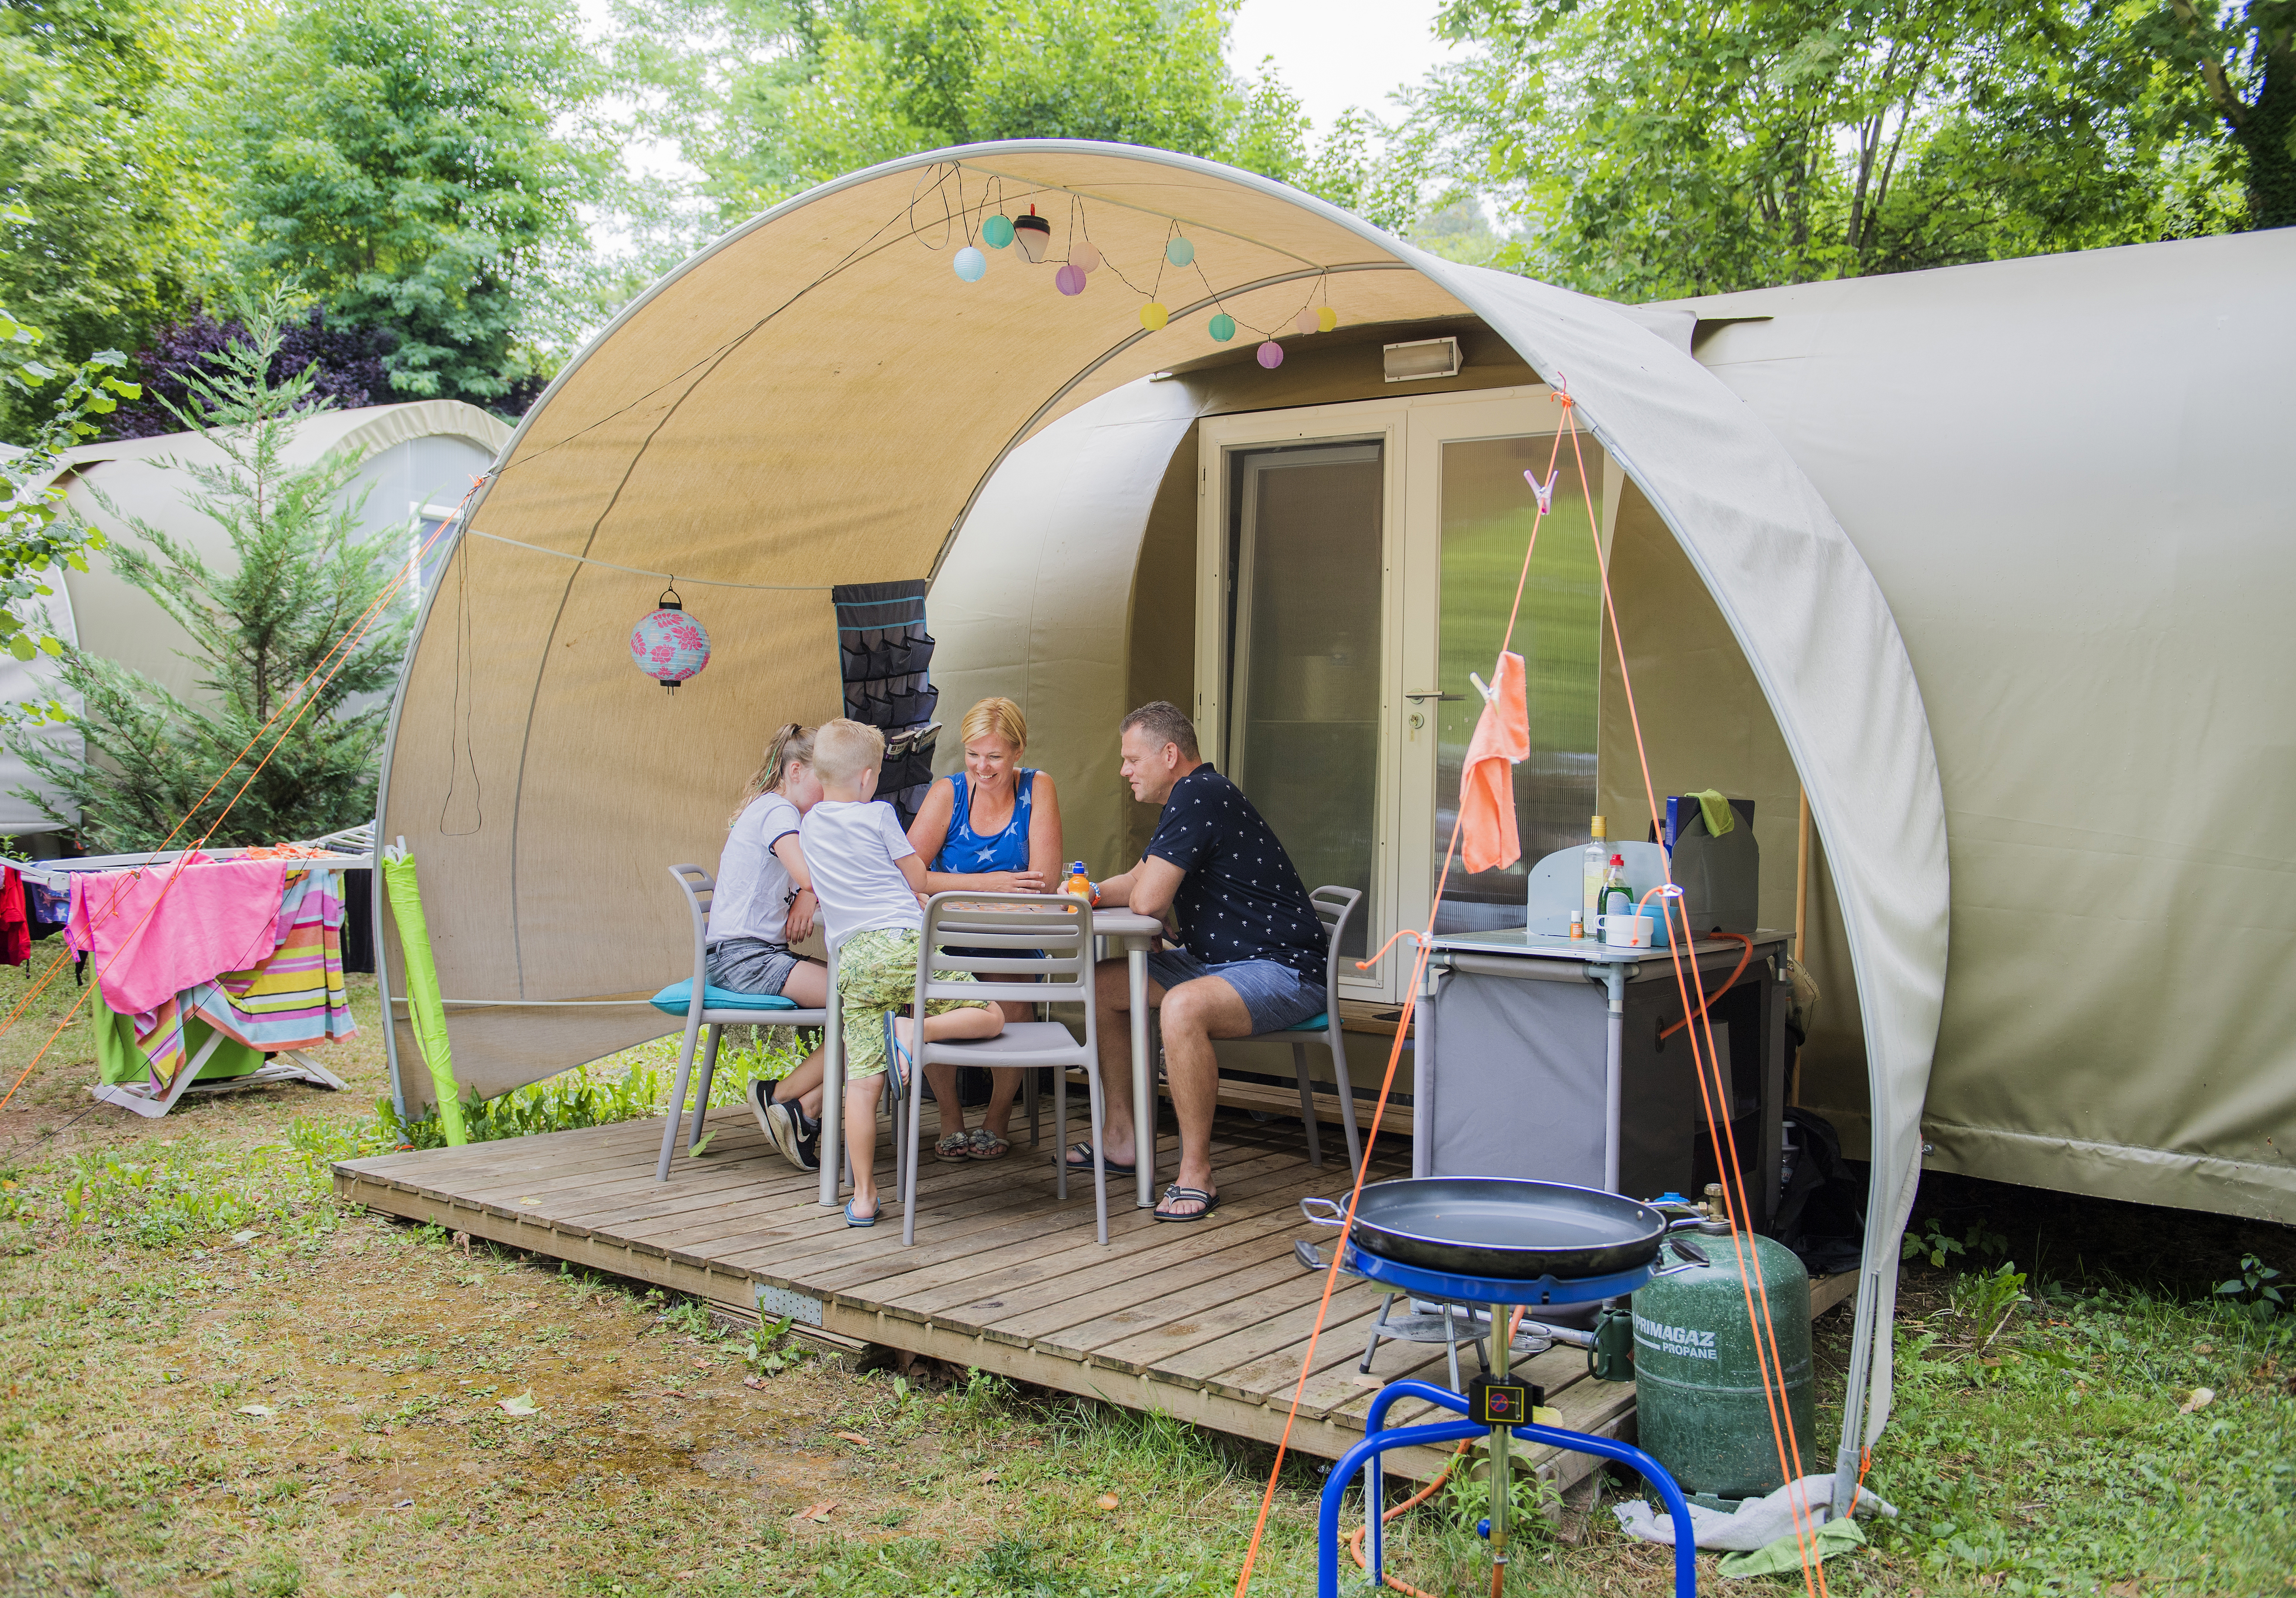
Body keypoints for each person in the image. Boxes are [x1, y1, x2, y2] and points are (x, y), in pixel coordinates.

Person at [1072, 701, 1327, 1222]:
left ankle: (1196, 1173)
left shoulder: (1198, 793)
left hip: (1283, 969)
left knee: (1183, 1009)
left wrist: (1146, 903)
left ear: (1169, 755)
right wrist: (1089, 891)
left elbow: (1146, 902)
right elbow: (1138, 878)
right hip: (1222, 961)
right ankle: (1121, 1138)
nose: (1124, 771)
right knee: (1102, 987)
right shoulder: (1191, 797)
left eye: (1130, 759)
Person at [797, 718, 1003, 1226]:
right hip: (908, 946)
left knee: (862, 1086)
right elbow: (915, 875)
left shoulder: (808, 826)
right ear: (869, 778)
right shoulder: (879, 815)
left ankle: (864, 1196)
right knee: (990, 1013)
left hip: (857, 961)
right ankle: (918, 1029)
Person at [903, 695, 1064, 1162]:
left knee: (1013, 991)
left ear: (1018, 751)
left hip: (1014, 941)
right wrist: (989, 883)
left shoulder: (1039, 788)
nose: (982, 766)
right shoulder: (948, 793)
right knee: (927, 993)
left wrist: (949, 888)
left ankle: (997, 1117)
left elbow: (1044, 880)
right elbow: (908, 873)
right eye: (973, 754)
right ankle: (950, 1117)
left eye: (994, 756)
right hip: (949, 941)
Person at [697, 725, 834, 1172]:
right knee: (866, 1003)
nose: (829, 792)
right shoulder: (778, 812)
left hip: (746, 954)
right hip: (744, 958)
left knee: (869, 998)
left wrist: (810, 895)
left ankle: (801, 1109)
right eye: (824, 779)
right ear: (795, 771)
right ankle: (778, 1096)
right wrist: (811, 891)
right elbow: (810, 875)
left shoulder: (776, 812)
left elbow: (805, 887)